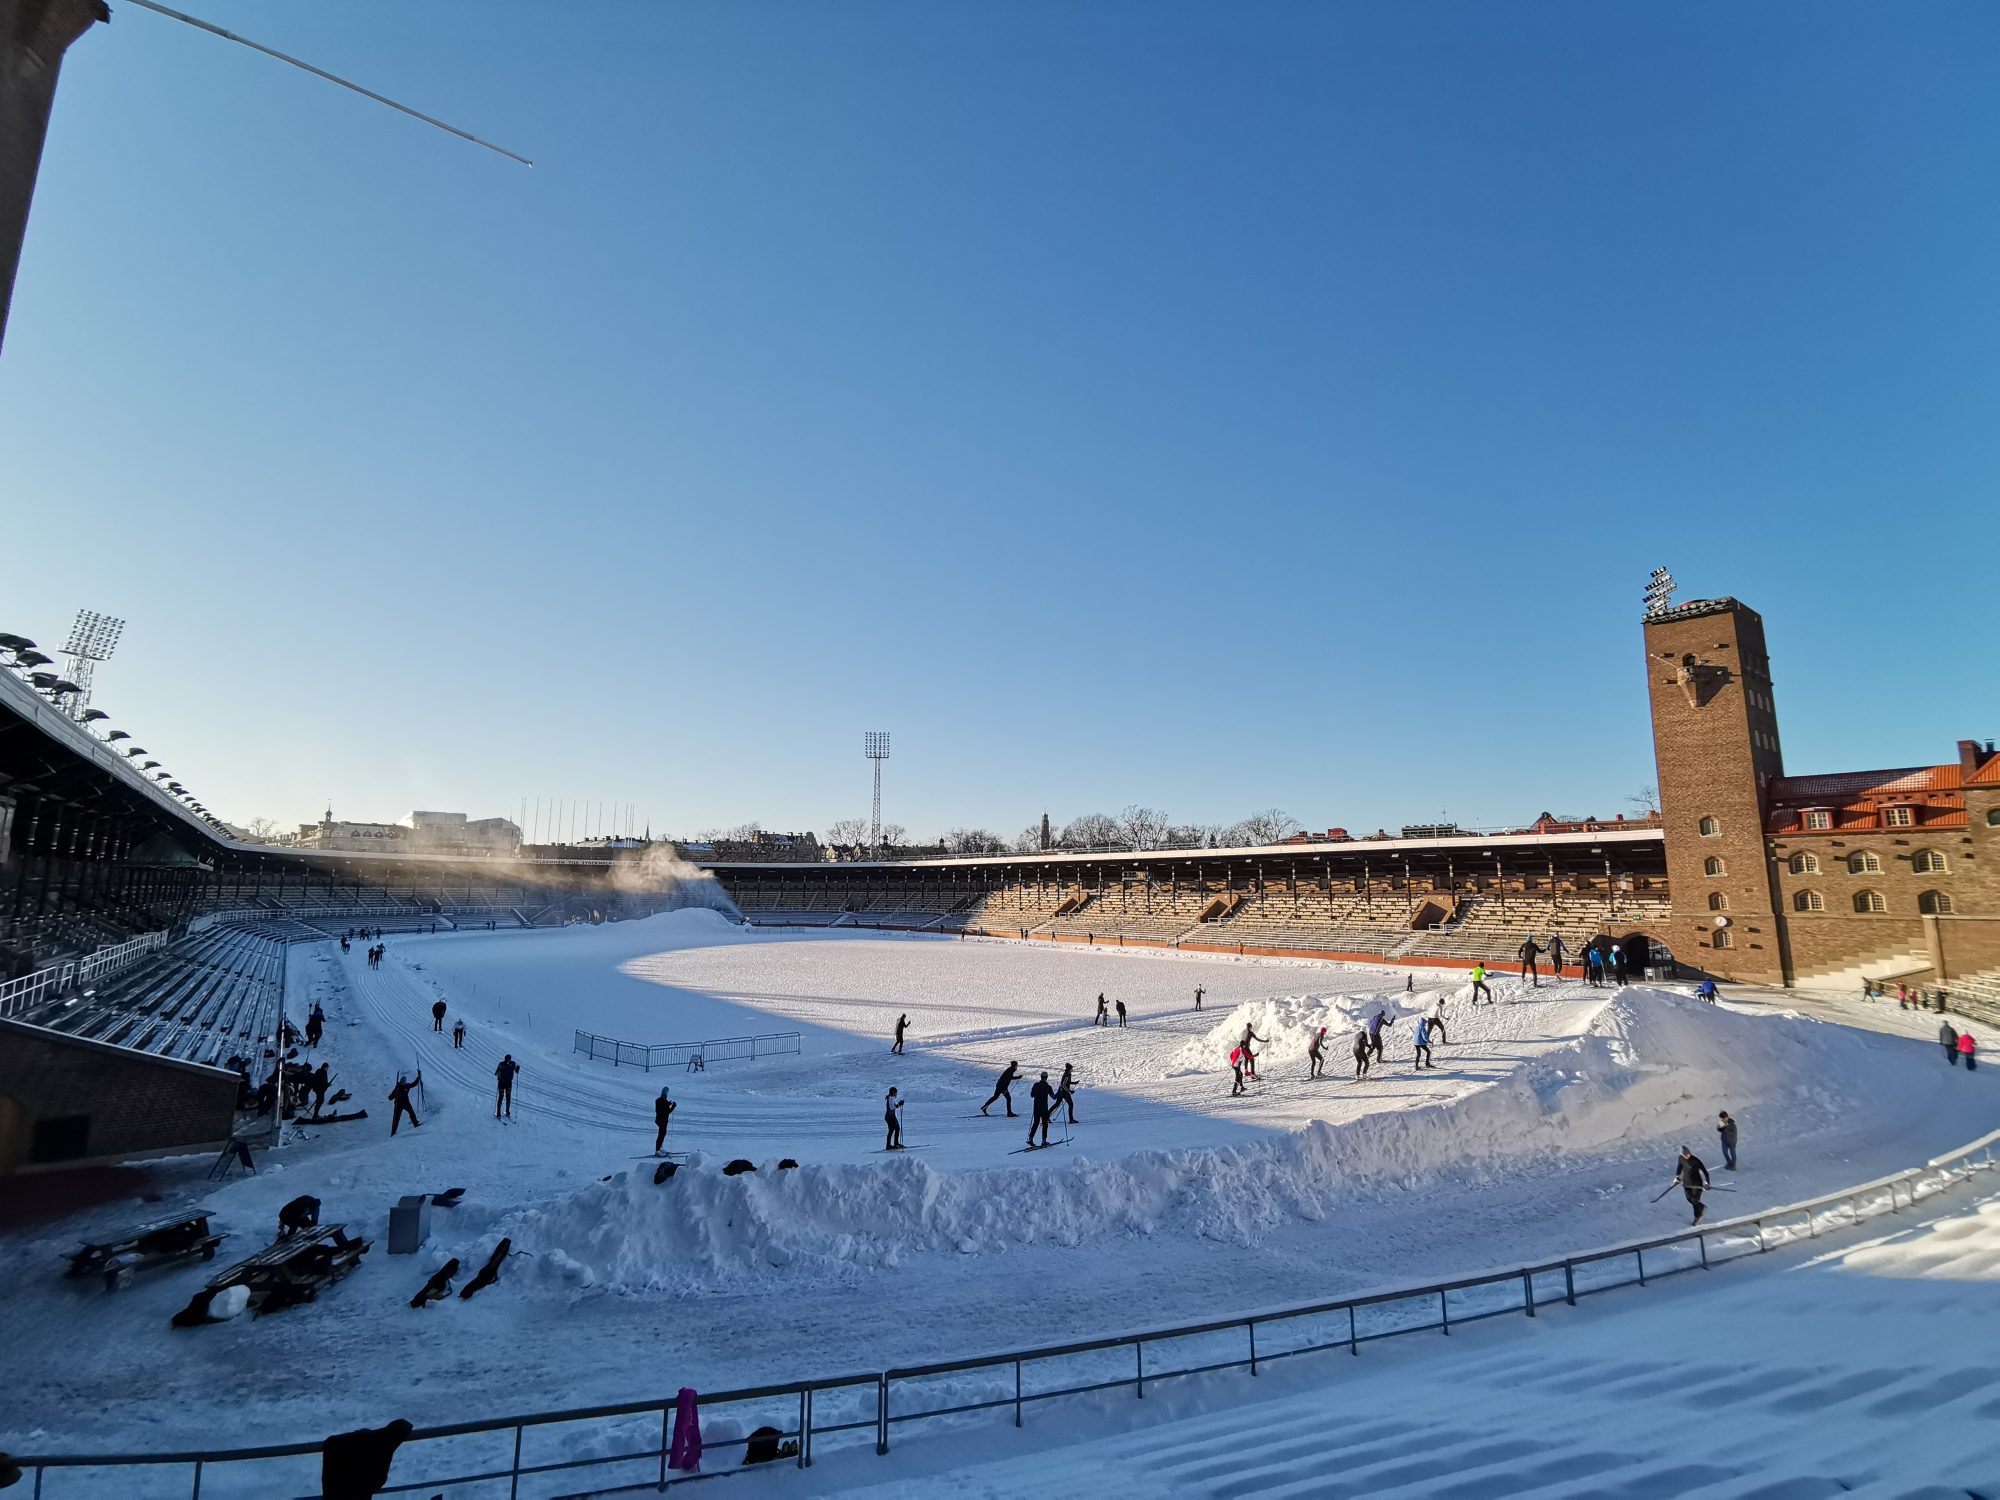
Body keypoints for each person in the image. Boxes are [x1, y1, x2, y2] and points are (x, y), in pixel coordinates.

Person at [1675, 1146, 1711, 1224]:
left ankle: (1697, 1217)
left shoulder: (1695, 1160)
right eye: (1684, 1154)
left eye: (1687, 1153)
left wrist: (1707, 1183)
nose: (1687, 1155)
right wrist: (1677, 1176)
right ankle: (1701, 1207)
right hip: (1686, 1183)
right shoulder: (1680, 1158)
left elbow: (1705, 1172)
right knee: (1689, 1199)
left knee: (1695, 1201)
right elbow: (1679, 1167)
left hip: (1697, 1184)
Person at [1027, 1071, 1055, 1147]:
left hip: (1036, 1107)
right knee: (1045, 1124)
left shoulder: (1035, 1085)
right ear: (1047, 1078)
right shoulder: (1048, 1087)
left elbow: (1032, 1095)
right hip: (1044, 1108)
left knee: (1036, 1123)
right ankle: (1044, 1141)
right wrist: (1060, 1092)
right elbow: (1054, 1097)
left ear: (1041, 1077)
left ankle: (1030, 1138)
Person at [654, 1087, 676, 1154]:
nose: (666, 1096)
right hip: (662, 1120)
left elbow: (663, 1107)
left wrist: (668, 1104)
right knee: (661, 1134)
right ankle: (657, 1150)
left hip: (660, 1120)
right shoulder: (664, 1102)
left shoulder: (658, 1100)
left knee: (662, 1134)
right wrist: (673, 1106)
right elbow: (667, 1111)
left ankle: (660, 1148)